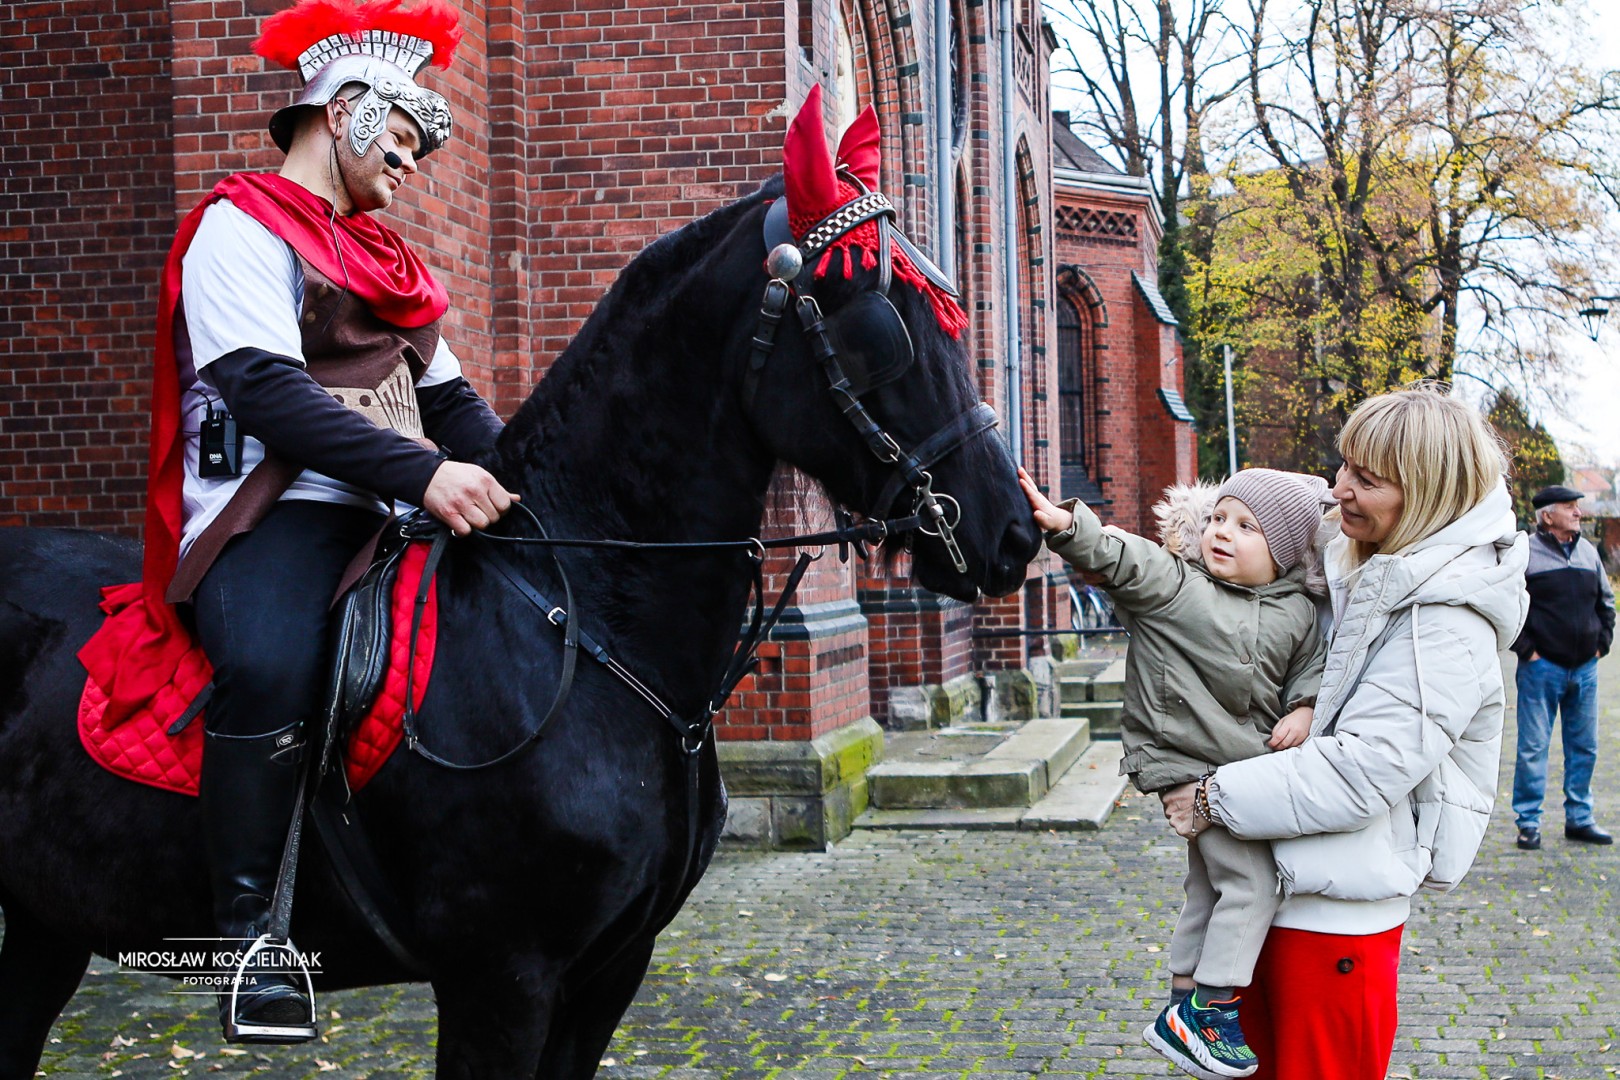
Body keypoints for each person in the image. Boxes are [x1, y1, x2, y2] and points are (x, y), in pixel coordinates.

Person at [80, 0, 515, 1045]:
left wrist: (525, 482)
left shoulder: (391, 264)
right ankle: (250, 944)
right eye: (402, 141)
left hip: (390, 509)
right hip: (275, 519)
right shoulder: (239, 225)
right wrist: (426, 476)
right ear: (348, 112)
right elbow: (269, 395)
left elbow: (455, 408)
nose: (410, 166)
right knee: (271, 663)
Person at [1160, 384, 1528, 1080]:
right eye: (1343, 466)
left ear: (1425, 492)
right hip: (1284, 890)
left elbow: (1362, 771)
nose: (1339, 489)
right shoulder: (1362, 561)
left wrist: (1212, 796)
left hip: (1335, 917)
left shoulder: (1445, 621)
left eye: (1367, 478)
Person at [1020, 465, 1333, 1080]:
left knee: (1209, 886)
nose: (1223, 532)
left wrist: (1304, 706)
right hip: (1188, 760)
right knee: (1252, 882)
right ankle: (1212, 1007)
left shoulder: (1298, 610)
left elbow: (1311, 666)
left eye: (1247, 527)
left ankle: (1182, 990)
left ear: (1287, 549)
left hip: (1244, 768)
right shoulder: (1178, 585)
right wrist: (1068, 526)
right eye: (1218, 518)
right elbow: (1123, 557)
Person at [1510, 484, 1615, 849]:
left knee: (1584, 746)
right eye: (1570, 508)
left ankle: (1580, 819)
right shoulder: (1525, 553)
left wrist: (1601, 645)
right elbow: (1507, 606)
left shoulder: (1587, 551)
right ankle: (1528, 823)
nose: (1578, 513)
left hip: (1585, 668)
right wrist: (1527, 650)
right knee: (1533, 748)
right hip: (1541, 668)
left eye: (1577, 508)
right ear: (1548, 515)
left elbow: (1606, 602)